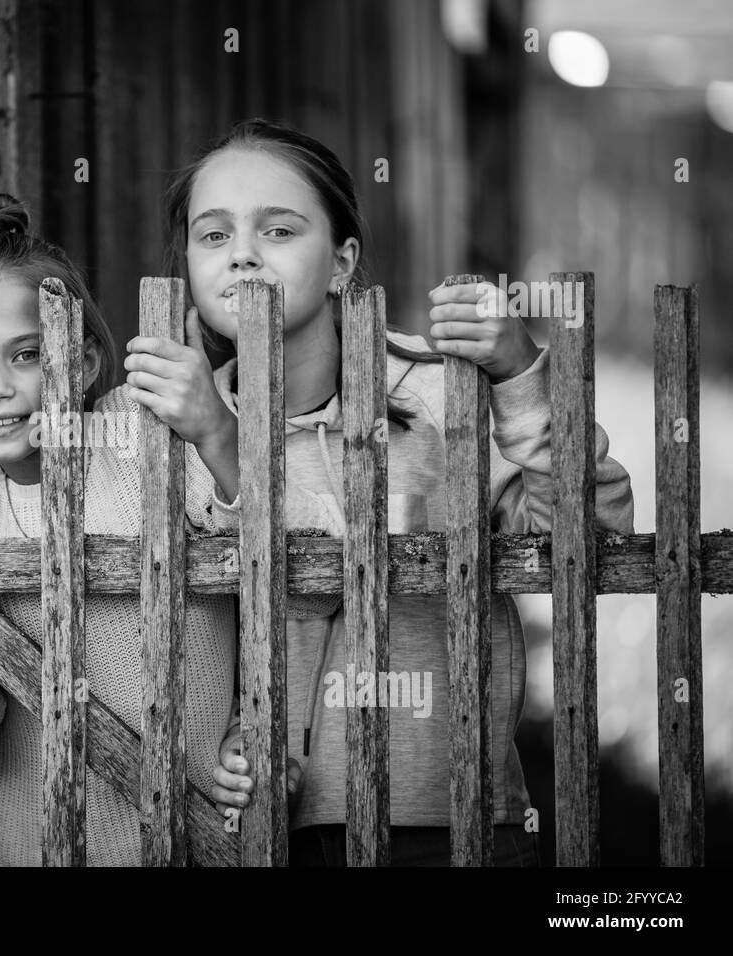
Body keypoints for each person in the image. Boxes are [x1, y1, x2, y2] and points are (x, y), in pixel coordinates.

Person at [123, 118, 635, 865]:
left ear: (341, 262)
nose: (241, 253)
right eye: (213, 235)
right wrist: (219, 747)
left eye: (278, 230)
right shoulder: (174, 421)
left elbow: (592, 542)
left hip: (454, 819)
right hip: (260, 831)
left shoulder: (436, 394)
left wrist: (524, 377)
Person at [0, 193, 238, 865]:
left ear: (82, 363)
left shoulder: (141, 436)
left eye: (26, 354)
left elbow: (264, 551)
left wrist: (218, 435)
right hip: (37, 840)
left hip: (197, 829)